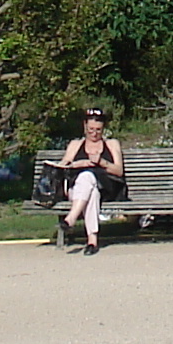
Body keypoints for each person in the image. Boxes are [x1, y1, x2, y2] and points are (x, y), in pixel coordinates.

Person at [57, 109, 123, 256]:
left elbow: (119, 171)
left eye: (98, 130)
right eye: (91, 129)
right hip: (78, 190)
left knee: (88, 178)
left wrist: (102, 162)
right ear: (85, 126)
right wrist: (78, 164)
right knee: (90, 190)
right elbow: (63, 166)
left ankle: (71, 218)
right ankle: (92, 241)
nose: (94, 133)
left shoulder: (111, 144)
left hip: (105, 187)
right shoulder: (75, 144)